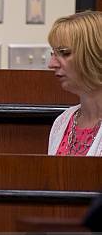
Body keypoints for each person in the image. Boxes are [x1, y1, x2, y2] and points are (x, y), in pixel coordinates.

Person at [47, 10, 102, 156]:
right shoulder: (63, 121)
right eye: (53, 54)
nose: (51, 64)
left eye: (64, 53)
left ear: (94, 55)